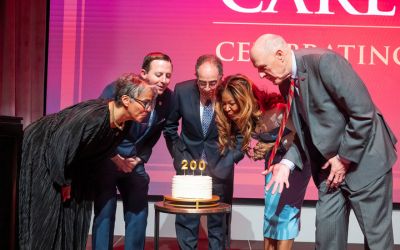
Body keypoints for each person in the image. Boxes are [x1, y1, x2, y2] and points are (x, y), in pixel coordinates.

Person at [250, 34, 397, 249]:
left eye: (263, 67)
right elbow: (305, 131)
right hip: (330, 171)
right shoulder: (285, 82)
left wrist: (344, 157)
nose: (261, 75)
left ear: (280, 55)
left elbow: (363, 114)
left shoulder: (324, 62)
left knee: (377, 243)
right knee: (327, 240)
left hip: (367, 162)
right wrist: (286, 164)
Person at [18, 74, 156, 250]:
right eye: (145, 103)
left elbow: (99, 149)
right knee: (49, 213)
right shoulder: (96, 117)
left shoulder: (124, 123)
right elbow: (60, 144)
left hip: (72, 162)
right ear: (126, 100)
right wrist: (64, 182)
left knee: (76, 213)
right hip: (44, 150)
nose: (149, 109)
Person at [214, 74, 311, 250]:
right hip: (273, 161)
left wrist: (272, 144)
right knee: (271, 212)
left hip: (293, 161)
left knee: (285, 212)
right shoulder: (243, 118)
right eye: (224, 103)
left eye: (231, 103)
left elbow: (303, 136)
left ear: (244, 99)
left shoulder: (275, 111)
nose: (227, 108)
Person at [91, 52, 173, 250]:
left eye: (168, 75)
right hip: (109, 158)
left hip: (134, 161)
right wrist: (114, 156)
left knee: (138, 210)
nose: (164, 81)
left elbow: (156, 132)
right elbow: (99, 126)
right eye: (159, 74)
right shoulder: (117, 89)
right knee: (105, 212)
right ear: (144, 73)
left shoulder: (168, 98)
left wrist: (140, 158)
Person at [163, 54, 244, 249]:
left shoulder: (231, 94)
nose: (207, 88)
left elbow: (242, 133)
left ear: (221, 77)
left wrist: (231, 159)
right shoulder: (181, 91)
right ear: (195, 77)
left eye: (212, 83)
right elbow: (170, 128)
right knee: (187, 221)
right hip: (189, 165)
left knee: (219, 224)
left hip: (221, 165)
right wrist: (178, 156)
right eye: (202, 83)